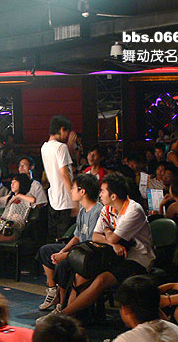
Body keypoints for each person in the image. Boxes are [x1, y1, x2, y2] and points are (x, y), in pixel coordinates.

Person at [58, 172, 155, 317]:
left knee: (101, 280)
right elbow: (95, 236)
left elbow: (113, 238)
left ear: (113, 196)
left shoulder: (133, 210)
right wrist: (112, 241)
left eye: (103, 191)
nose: (100, 194)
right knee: (80, 274)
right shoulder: (107, 208)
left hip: (138, 258)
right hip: (114, 254)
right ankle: (73, 317)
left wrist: (107, 231)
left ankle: (64, 315)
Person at [36, 173, 102, 312]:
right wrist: (62, 251)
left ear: (82, 191)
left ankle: (62, 305)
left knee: (63, 264)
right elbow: (77, 236)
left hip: (89, 253)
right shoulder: (83, 210)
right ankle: (52, 290)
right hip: (78, 248)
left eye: (73, 188)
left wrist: (65, 255)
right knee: (45, 250)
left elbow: (90, 243)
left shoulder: (97, 211)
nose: (71, 190)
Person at [41, 115, 77, 241]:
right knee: (65, 238)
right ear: (62, 129)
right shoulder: (61, 147)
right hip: (65, 200)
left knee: (53, 236)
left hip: (53, 198)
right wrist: (74, 199)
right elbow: (65, 175)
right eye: (67, 132)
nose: (67, 136)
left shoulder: (44, 147)